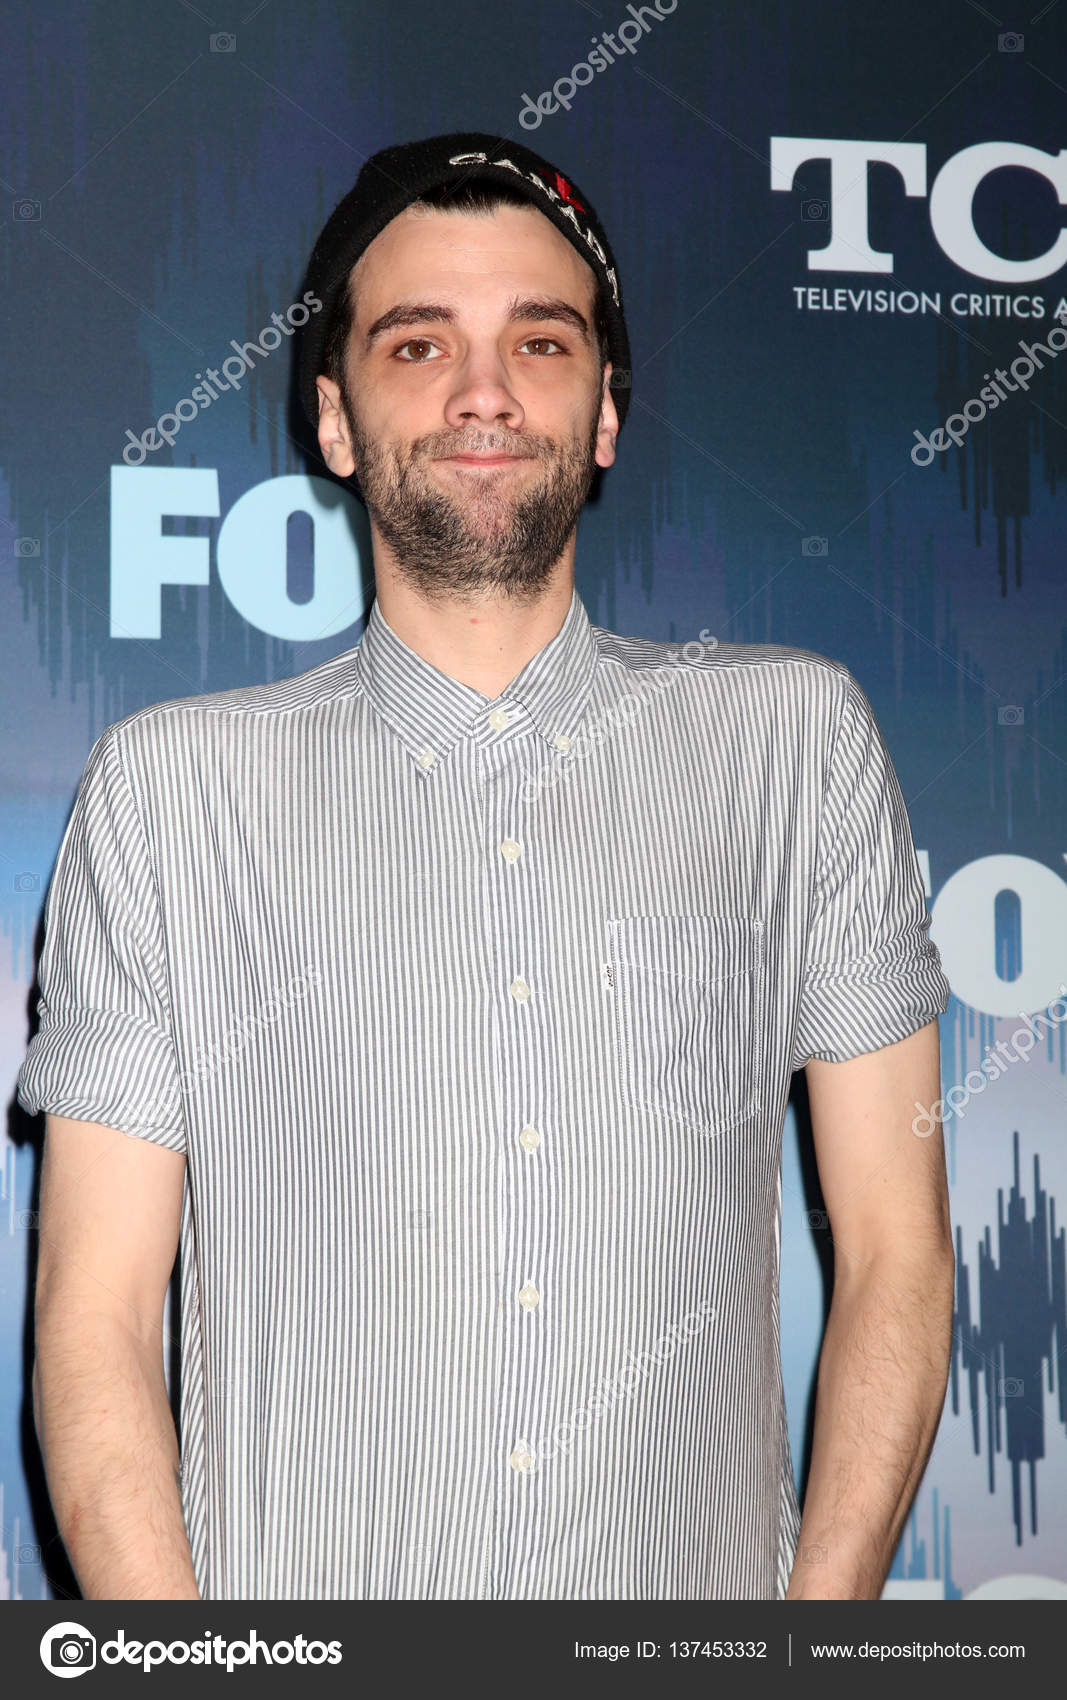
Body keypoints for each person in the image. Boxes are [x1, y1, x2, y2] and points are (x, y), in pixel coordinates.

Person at [18, 131, 954, 1603]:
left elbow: (900, 1251)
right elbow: (97, 1319)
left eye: (540, 340)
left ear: (605, 414)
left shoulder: (794, 745)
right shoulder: (167, 796)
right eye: (417, 344)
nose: (484, 392)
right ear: (335, 420)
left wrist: (810, 1654)